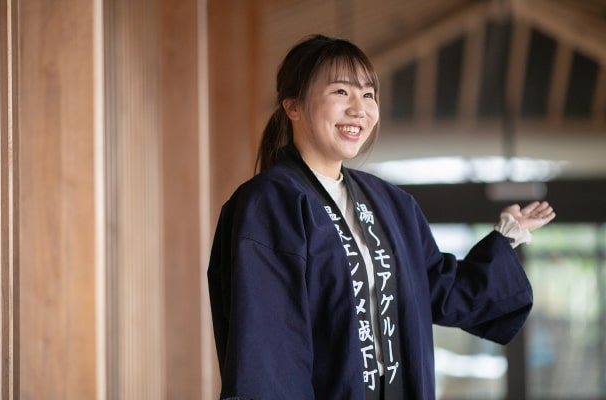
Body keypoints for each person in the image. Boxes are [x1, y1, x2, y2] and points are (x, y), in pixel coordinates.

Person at [207, 34, 555, 400]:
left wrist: (507, 236)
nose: (360, 108)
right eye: (341, 92)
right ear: (293, 106)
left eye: (369, 95)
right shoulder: (269, 204)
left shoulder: (391, 204)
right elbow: (268, 347)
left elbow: (438, 289)